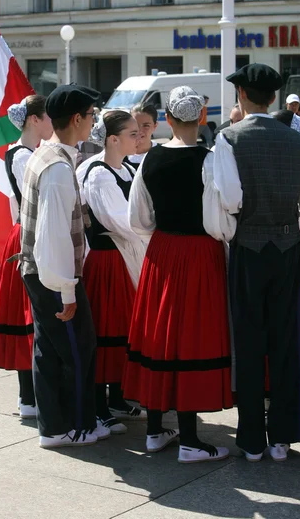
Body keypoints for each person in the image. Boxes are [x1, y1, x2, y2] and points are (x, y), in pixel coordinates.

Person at [213, 63, 300, 462]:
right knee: (284, 340)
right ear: (274, 97)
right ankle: (280, 437)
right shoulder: (297, 141)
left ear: (241, 94)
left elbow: (228, 199)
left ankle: (251, 440)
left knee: (248, 341)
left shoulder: (228, 138)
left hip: (248, 247)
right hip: (287, 247)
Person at [122, 86, 232, 464]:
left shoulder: (149, 159)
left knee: (160, 334)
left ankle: (155, 431)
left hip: (163, 251)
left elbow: (138, 218)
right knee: (191, 338)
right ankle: (188, 439)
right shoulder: (211, 159)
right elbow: (221, 218)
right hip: (200, 252)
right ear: (201, 118)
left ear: (167, 119)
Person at [17, 84, 110, 449]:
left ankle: (56, 426)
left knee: (52, 350)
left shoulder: (48, 154)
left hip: (42, 274)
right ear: (77, 119)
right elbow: (52, 237)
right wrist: (67, 290)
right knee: (73, 351)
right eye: (91, 115)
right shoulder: (56, 166)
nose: (93, 121)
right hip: (52, 277)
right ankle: (69, 425)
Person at [78, 110, 146, 434]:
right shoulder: (98, 174)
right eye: (132, 133)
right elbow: (124, 220)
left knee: (123, 330)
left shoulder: (128, 168)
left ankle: (118, 398)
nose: (139, 137)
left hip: (123, 259)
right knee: (106, 332)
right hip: (106, 262)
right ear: (112, 139)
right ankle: (98, 406)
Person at [0, 95, 52, 418]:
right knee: (28, 315)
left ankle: (32, 395)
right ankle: (29, 397)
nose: (52, 122)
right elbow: (32, 200)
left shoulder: (27, 152)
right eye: (48, 116)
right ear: (35, 120)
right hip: (28, 236)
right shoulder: (23, 156)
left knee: (30, 314)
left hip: (26, 233)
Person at [125, 103, 159, 170]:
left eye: (146, 125)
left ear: (155, 126)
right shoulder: (119, 155)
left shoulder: (162, 154)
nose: (140, 130)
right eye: (135, 124)